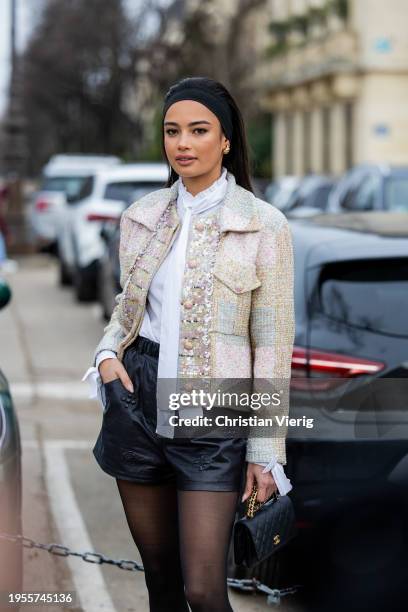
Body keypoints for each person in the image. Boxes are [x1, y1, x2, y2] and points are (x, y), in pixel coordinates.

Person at [83, 76, 295, 612]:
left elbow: (271, 345)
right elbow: (127, 310)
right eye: (172, 131)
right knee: (159, 580)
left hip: (215, 409)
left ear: (225, 140)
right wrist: (108, 356)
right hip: (137, 397)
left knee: (204, 591)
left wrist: (266, 453)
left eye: (198, 130)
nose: (182, 143)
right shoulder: (141, 217)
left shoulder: (262, 225)